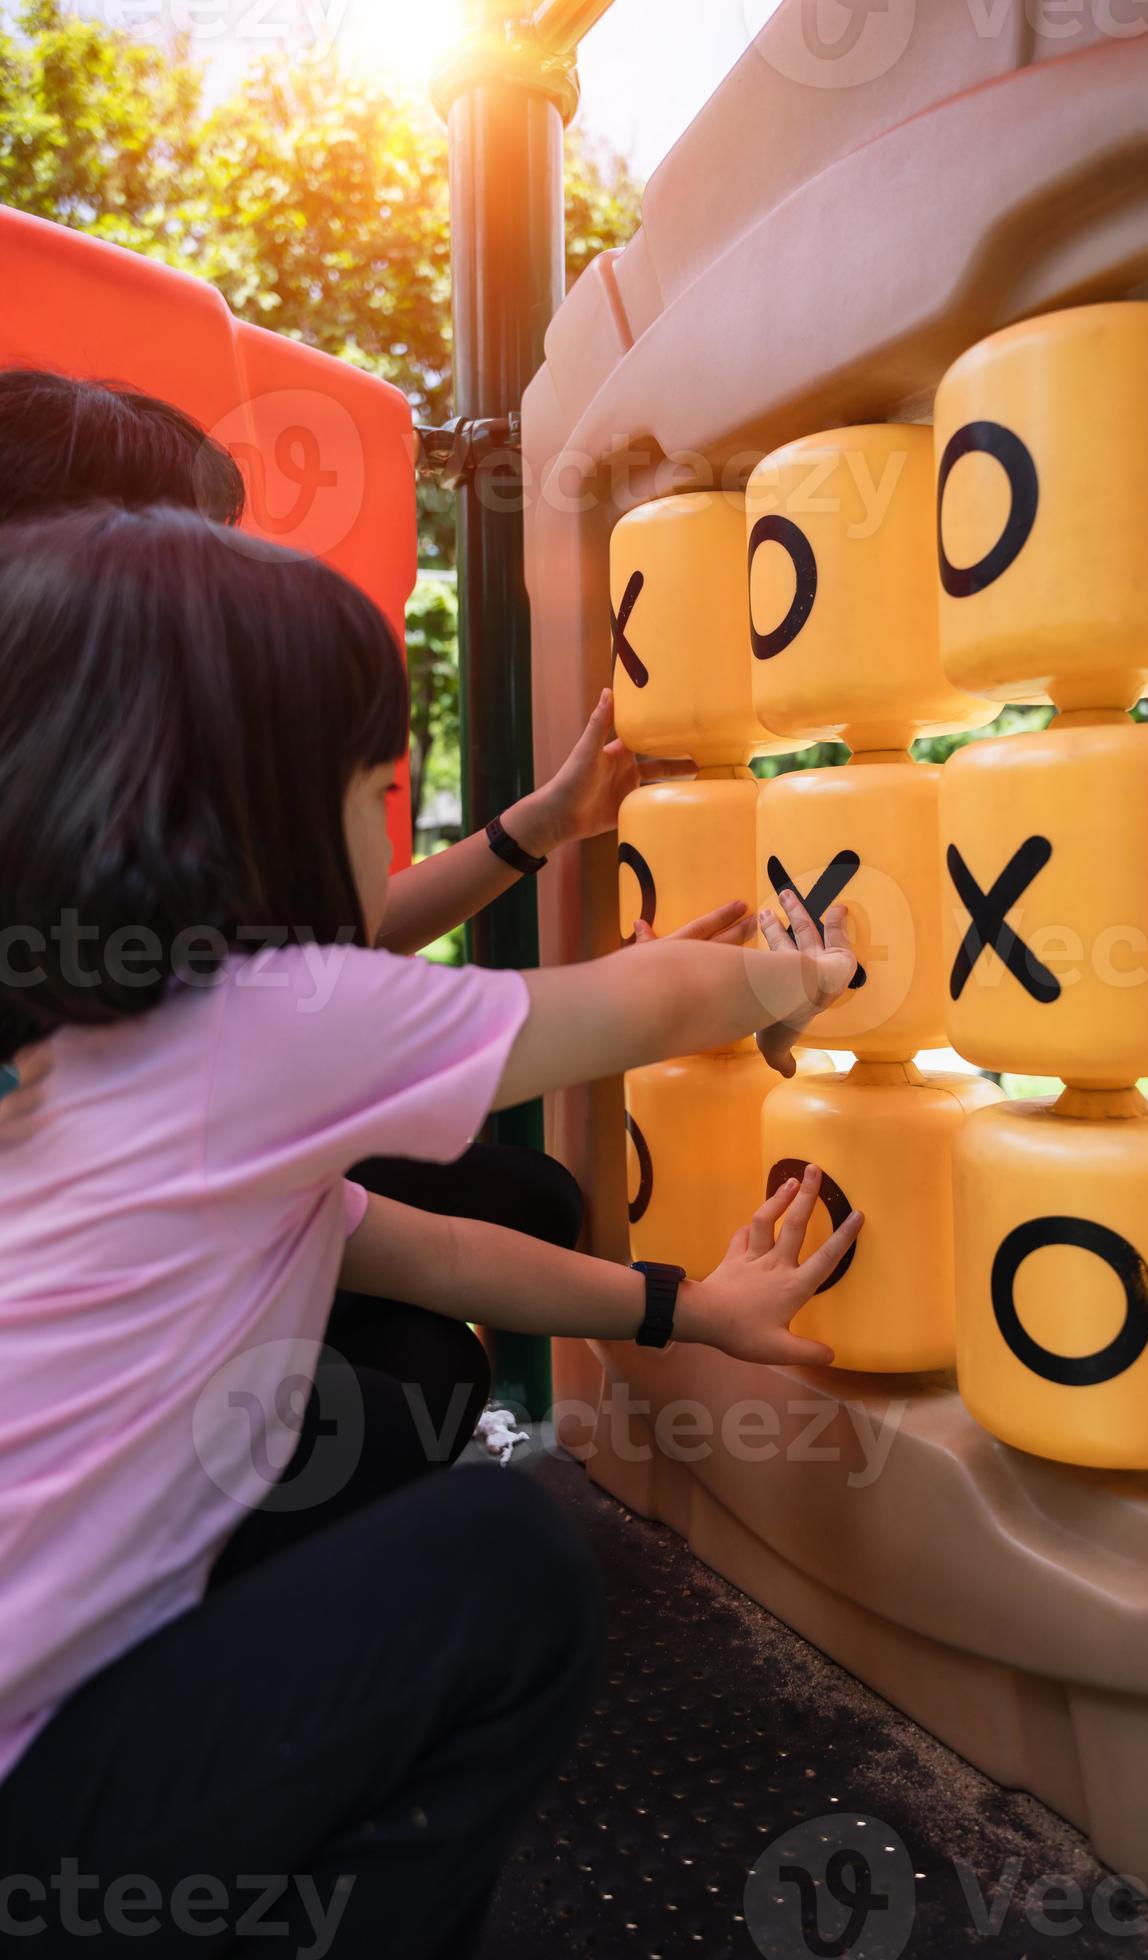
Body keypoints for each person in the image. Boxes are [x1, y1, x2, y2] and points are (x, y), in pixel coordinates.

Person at [0, 503, 860, 1957]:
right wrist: (793, 969)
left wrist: (688, 1308)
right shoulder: (261, 1031)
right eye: (376, 790)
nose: (386, 825)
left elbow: (434, 1253)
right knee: (496, 1571)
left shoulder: (82, 1058)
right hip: (39, 1813)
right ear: (250, 810)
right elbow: (641, 1006)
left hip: (55, 1750)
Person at [0, 367, 754, 1450]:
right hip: (73, 1393)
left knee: (511, 1217)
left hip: (148, 1216)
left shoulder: (104, 793)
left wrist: (536, 830)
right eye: (197, 554)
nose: (232, 588)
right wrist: (683, 994)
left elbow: (294, 967)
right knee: (419, 1386)